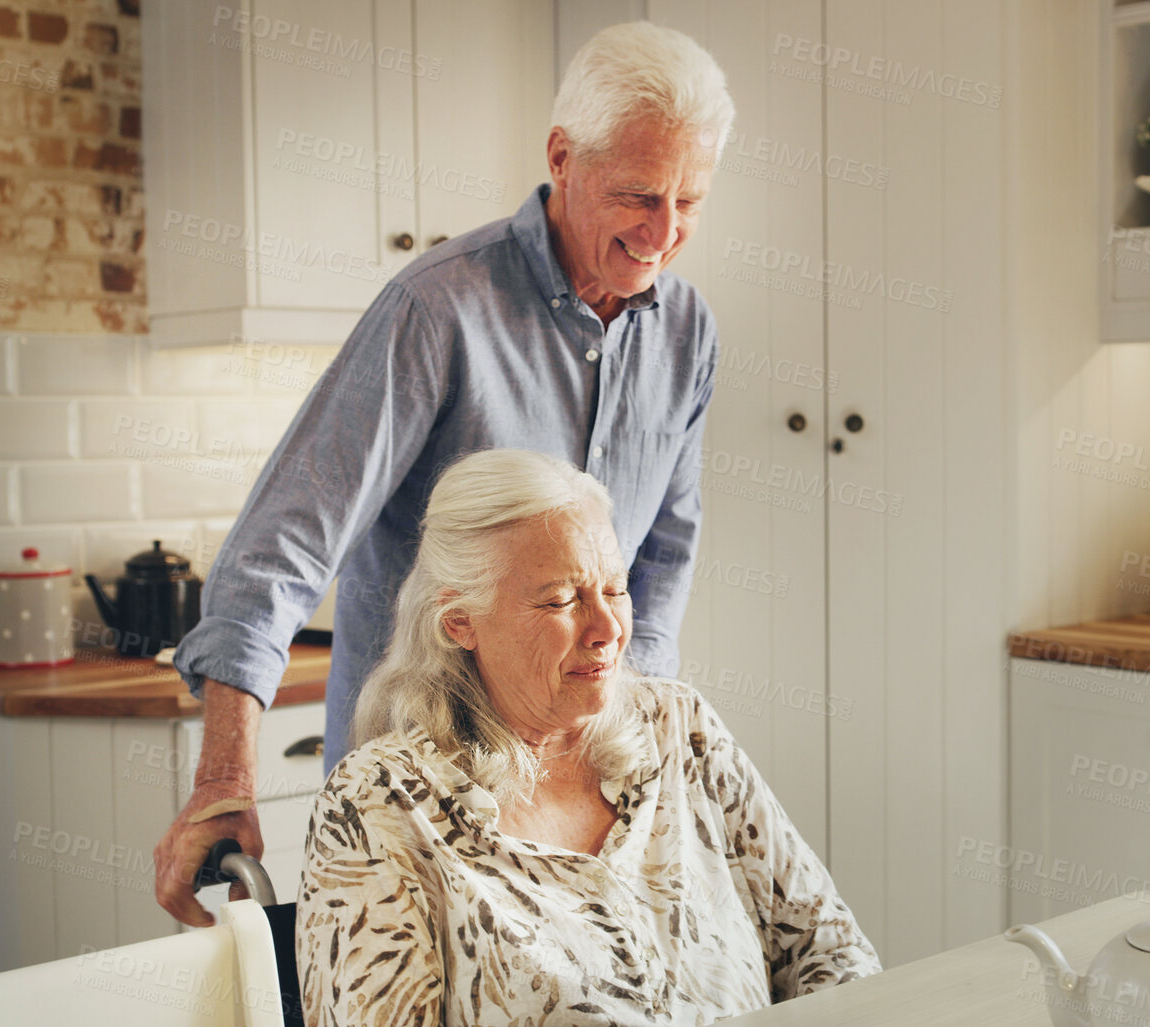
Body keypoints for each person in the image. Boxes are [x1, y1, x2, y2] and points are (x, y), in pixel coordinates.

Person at [154, 21, 735, 927]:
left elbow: (663, 554)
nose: (663, 234)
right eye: (637, 196)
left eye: (689, 202)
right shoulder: (438, 308)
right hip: (418, 799)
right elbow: (286, 540)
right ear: (562, 158)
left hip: (581, 801)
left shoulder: (686, 330)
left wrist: (631, 739)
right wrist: (225, 778)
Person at [296, 449, 879, 1024]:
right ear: (459, 622)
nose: (607, 631)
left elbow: (831, 952)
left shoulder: (681, 729)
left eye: (616, 589)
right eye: (561, 600)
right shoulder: (380, 801)